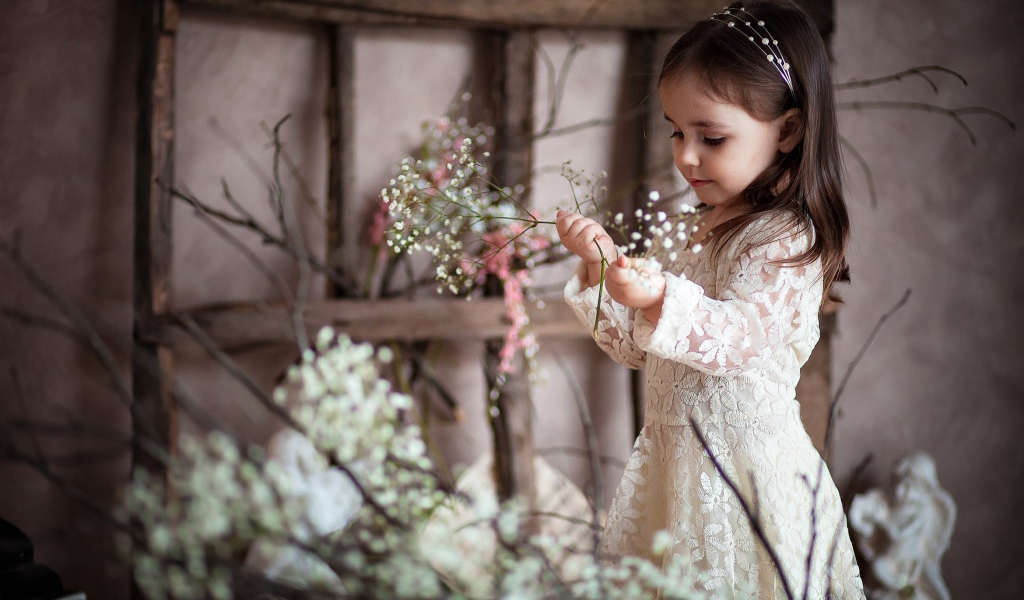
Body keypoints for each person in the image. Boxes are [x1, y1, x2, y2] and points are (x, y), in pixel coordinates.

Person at [556, 1, 866, 597]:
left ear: (790, 130)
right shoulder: (694, 227)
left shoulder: (783, 238)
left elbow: (737, 340)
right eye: (677, 130)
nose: (686, 155)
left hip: (743, 479)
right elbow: (637, 349)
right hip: (678, 472)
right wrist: (601, 272)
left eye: (712, 136)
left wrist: (657, 296)